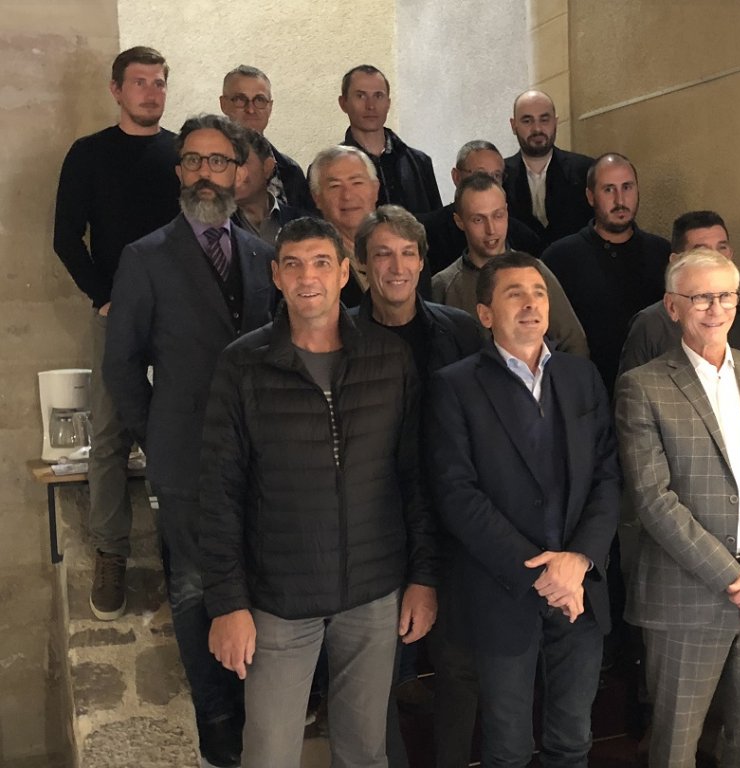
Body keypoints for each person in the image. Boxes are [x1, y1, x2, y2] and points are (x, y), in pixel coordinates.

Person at [200, 216, 439, 768]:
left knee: (365, 752)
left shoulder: (389, 358)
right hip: (280, 598)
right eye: (294, 264)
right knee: (269, 754)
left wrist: (423, 577)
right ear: (276, 277)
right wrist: (228, 602)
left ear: (344, 275)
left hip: (374, 592)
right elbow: (219, 492)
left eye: (322, 263)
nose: (308, 276)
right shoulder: (243, 364)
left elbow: (414, 479)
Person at [103, 113, 277, 767]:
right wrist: (158, 434)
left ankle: (264, 731)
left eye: (220, 161)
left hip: (261, 465)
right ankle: (220, 744)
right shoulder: (144, 258)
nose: (207, 173)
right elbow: (121, 364)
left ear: (241, 172)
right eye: (195, 161)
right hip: (185, 467)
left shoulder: (266, 255)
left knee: (258, 596)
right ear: (180, 172)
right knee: (198, 600)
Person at [615, 248, 740, 766]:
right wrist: (734, 578)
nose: (714, 307)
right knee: (674, 747)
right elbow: (653, 499)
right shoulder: (643, 387)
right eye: (700, 296)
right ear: (672, 307)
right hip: (686, 597)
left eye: (725, 295)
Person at [427, 251, 620, 767]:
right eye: (515, 293)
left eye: (539, 293)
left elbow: (607, 476)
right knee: (506, 747)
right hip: (503, 593)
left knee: (572, 742)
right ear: (486, 313)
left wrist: (578, 560)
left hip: (579, 593)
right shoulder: (455, 386)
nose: (532, 304)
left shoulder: (582, 378)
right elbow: (457, 494)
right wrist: (539, 572)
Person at [349, 206, 482, 768]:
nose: (396, 266)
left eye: (407, 253)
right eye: (382, 253)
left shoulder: (464, 333)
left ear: (424, 262)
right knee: (372, 678)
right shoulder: (338, 341)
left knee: (456, 666)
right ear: (360, 267)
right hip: (369, 527)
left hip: (453, 524)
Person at [52, 45, 180, 622]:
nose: (150, 92)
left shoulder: (181, 153)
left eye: (158, 83)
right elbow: (65, 237)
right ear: (116, 90)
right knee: (108, 434)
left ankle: (185, 552)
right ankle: (112, 552)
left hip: (180, 316)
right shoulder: (89, 154)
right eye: (139, 83)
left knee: (181, 426)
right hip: (115, 313)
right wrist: (104, 297)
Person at [543, 152, 670, 395]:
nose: (620, 199)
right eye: (609, 190)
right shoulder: (559, 259)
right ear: (591, 196)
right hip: (586, 393)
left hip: (655, 392)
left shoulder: (663, 254)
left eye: (627, 187)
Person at [431, 172, 589, 358]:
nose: (491, 230)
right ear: (460, 221)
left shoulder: (535, 273)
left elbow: (573, 343)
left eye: (498, 216)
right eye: (478, 220)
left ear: (507, 212)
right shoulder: (443, 285)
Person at [618, 210, 740, 377]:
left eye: (721, 248)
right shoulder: (651, 326)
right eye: (702, 251)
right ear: (676, 261)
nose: (716, 258)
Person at [309, 144, 431, 307]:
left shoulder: (407, 247)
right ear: (317, 198)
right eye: (335, 186)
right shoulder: (312, 261)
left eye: (357, 183)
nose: (347, 195)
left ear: (375, 189)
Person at [419, 140, 542, 274]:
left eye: (496, 175)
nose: (488, 183)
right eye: (480, 174)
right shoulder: (426, 232)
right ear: (456, 177)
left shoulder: (523, 236)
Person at [339, 64, 441, 214]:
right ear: (343, 103)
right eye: (360, 96)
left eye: (378, 96)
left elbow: (436, 224)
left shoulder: (419, 162)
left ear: (388, 103)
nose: (371, 106)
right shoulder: (329, 168)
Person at [219, 64, 316, 211]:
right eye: (240, 99)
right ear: (223, 104)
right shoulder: (207, 166)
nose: (250, 109)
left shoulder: (290, 171)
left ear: (270, 107)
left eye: (259, 100)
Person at [504, 90, 593, 247]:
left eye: (544, 120)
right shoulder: (499, 176)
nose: (537, 129)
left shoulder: (586, 171)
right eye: (527, 121)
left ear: (555, 122)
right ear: (513, 125)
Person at [231, 128, 308, 246]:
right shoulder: (213, 227)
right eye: (227, 163)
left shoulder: (303, 222)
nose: (234, 171)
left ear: (267, 167)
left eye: (241, 162)